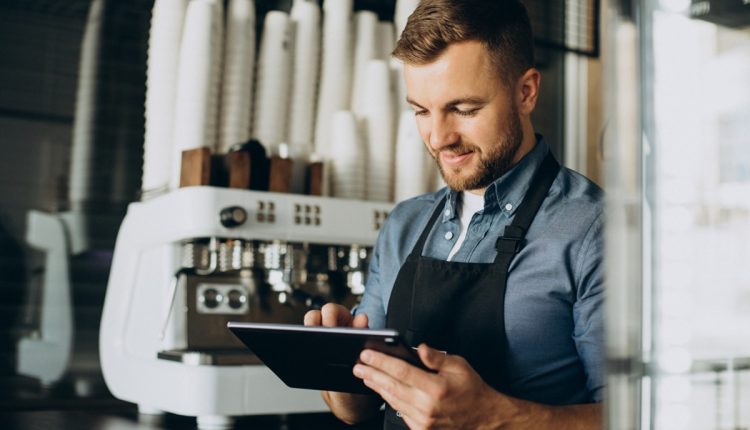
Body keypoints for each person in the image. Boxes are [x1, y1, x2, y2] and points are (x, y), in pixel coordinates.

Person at [304, 0, 604, 428]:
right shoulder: (404, 225)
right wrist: (335, 364)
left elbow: (642, 412)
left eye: (464, 109)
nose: (440, 137)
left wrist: (496, 418)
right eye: (421, 111)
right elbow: (359, 410)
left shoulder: (592, 228)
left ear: (526, 92)